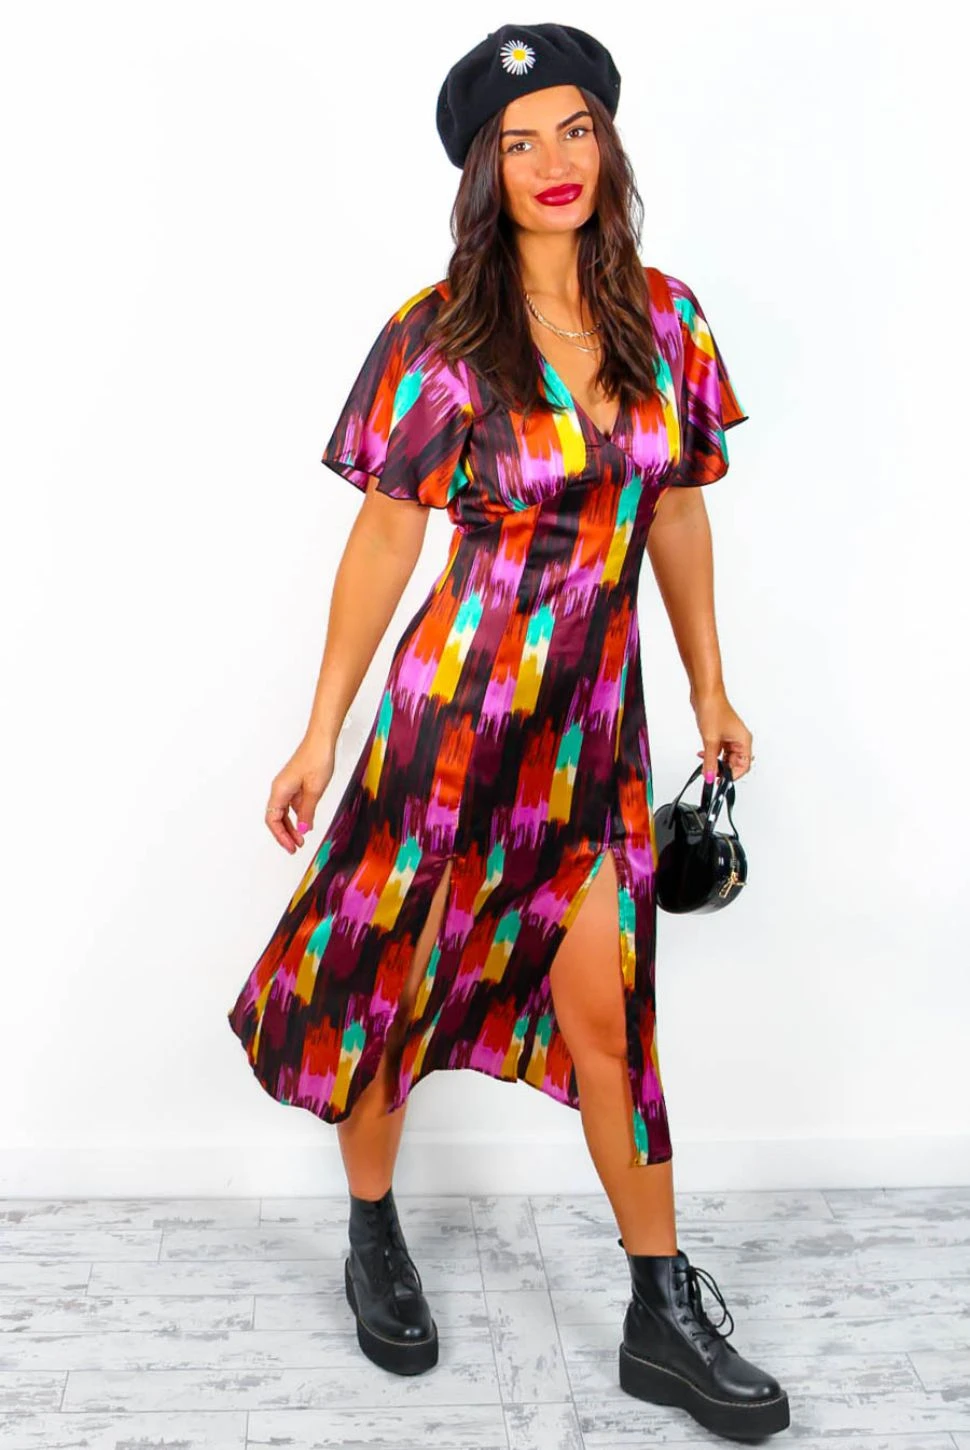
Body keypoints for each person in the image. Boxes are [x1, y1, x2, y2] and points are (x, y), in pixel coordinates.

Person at [226, 22, 787, 1442]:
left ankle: (659, 1309)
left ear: (609, 144)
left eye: (575, 130)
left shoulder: (666, 318)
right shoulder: (437, 334)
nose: (553, 162)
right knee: (392, 989)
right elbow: (383, 538)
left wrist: (711, 689)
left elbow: (675, 509)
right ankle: (372, 1231)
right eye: (519, 142)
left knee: (612, 1016)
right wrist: (319, 730)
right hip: (451, 728)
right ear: (484, 171)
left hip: (593, 741)